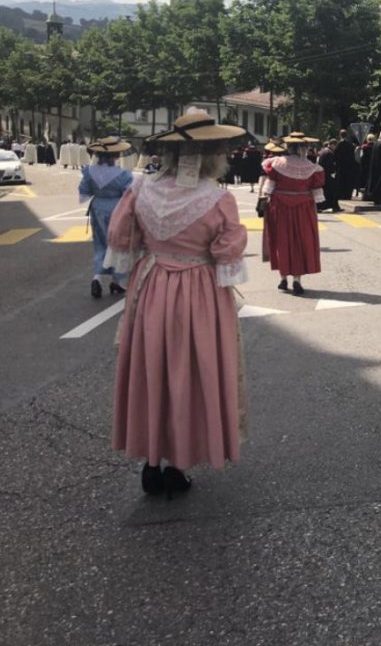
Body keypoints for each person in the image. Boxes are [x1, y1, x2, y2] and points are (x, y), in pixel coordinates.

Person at [104, 108, 248, 498]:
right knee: (191, 371)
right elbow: (226, 253)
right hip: (198, 291)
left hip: (151, 287)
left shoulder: (140, 189)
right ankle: (178, 464)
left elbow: (121, 240)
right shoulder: (219, 199)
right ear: (214, 153)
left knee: (153, 369)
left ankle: (151, 460)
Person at [261, 132, 324, 295]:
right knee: (300, 242)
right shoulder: (311, 167)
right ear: (304, 148)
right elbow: (317, 194)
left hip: (280, 207)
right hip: (303, 208)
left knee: (282, 240)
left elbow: (269, 187)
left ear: (288, 147)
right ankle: (297, 279)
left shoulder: (276, 163)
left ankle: (283, 278)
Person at [79, 136, 134, 298]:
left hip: (97, 208)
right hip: (118, 209)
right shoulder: (123, 174)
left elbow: (83, 193)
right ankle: (117, 281)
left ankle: (97, 277)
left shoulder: (90, 172)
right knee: (118, 243)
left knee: (100, 243)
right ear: (116, 156)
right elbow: (129, 195)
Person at [316, 138, 342, 213]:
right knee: (330, 192)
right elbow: (330, 165)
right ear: (332, 145)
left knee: (325, 191)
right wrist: (333, 172)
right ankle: (330, 205)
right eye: (335, 146)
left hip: (323, 174)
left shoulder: (323, 151)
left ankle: (321, 206)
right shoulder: (329, 153)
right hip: (328, 176)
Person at [333, 129, 357, 203]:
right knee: (348, 181)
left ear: (340, 135)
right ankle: (347, 195)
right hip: (349, 166)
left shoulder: (338, 144)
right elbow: (353, 155)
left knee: (341, 181)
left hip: (340, 166)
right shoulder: (350, 144)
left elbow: (335, 155)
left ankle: (341, 194)